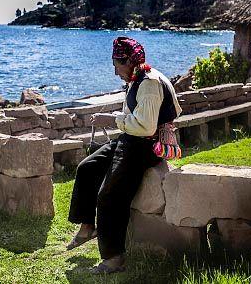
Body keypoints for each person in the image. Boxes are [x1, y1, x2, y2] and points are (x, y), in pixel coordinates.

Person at [66, 36, 182, 274]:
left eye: (116, 64)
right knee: (87, 168)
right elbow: (134, 116)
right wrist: (118, 121)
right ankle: (88, 226)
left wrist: (112, 119)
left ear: (129, 60)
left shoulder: (149, 83)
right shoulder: (137, 77)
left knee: (109, 194)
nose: (115, 70)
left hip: (144, 147)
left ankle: (114, 258)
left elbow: (146, 127)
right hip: (132, 139)